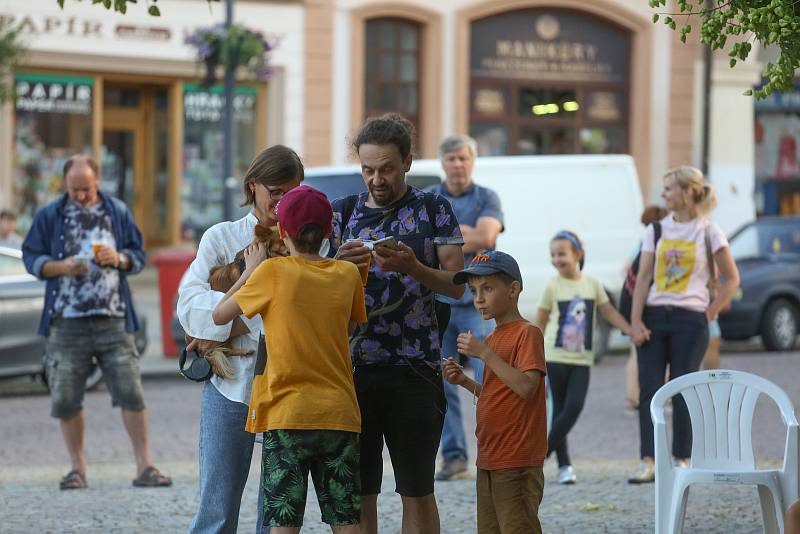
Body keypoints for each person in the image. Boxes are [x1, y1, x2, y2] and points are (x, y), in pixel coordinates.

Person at [329, 113, 465, 534]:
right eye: (368, 169)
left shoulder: (434, 208)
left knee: (417, 488)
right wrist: (336, 266)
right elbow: (313, 286)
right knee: (360, 489)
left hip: (415, 368)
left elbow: (458, 286)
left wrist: (413, 267)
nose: (376, 179)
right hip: (353, 369)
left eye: (386, 168)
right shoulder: (342, 214)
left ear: (407, 161)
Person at [212, 186, 367, 534]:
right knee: (347, 522)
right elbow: (352, 326)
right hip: (339, 414)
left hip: (287, 415)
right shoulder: (348, 274)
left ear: (282, 232)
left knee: (283, 524)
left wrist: (252, 269)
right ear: (328, 232)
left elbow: (220, 315)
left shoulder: (272, 273)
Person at [21, 154, 171, 490]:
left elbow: (139, 256)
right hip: (66, 320)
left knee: (131, 392)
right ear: (65, 185)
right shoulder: (50, 214)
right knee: (65, 397)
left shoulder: (116, 211)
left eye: (86, 189)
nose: (81, 196)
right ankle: (77, 469)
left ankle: (145, 466)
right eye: (75, 190)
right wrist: (59, 267)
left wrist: (118, 258)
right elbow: (31, 257)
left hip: (113, 318)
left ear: (97, 182)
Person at [177, 145, 304, 533]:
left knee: (277, 511)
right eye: (276, 191)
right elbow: (191, 309)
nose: (283, 202)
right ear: (254, 186)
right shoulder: (221, 236)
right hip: (230, 385)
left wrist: (230, 317)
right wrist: (256, 308)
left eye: (293, 192)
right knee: (216, 508)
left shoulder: (308, 242)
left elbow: (305, 313)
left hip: (287, 386)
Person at [629, 166, 740, 484]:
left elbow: (732, 278)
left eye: (668, 189)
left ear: (688, 192)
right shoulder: (656, 230)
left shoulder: (710, 231)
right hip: (653, 317)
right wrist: (635, 322)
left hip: (690, 320)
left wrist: (710, 312)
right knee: (649, 391)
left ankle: (683, 459)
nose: (663, 195)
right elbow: (644, 278)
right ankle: (648, 460)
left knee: (682, 389)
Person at [443, 250, 547, 534]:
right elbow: (495, 392)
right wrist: (464, 382)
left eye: (487, 288)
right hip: (489, 457)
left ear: (513, 289)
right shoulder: (492, 337)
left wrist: (485, 354)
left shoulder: (527, 333)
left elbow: (527, 387)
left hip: (517, 460)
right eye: (473, 290)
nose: (478, 298)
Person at [424, 134, 504, 481]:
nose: (457, 164)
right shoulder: (430, 198)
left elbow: (487, 237)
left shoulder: (487, 197)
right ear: (442, 163)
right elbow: (425, 244)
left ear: (472, 161)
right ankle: (454, 456)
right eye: (451, 159)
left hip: (478, 304)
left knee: (490, 376)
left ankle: (495, 450)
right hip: (440, 303)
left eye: (463, 158)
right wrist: (463, 235)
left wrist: (447, 239)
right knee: (443, 382)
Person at [535, 230, 633, 484]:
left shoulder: (592, 284)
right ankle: (565, 466)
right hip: (554, 357)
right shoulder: (552, 286)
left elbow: (609, 312)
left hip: (581, 360)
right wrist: (531, 354)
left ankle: (539, 455)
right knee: (558, 412)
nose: (557, 259)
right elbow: (541, 322)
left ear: (578, 254)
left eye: (562, 254)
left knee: (573, 408)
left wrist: (630, 330)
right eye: (553, 255)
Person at [625, 205, 670, 412]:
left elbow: (627, 269)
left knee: (635, 353)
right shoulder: (654, 240)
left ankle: (633, 396)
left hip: (635, 303)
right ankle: (649, 397)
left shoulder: (641, 241)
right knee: (643, 354)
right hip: (647, 303)